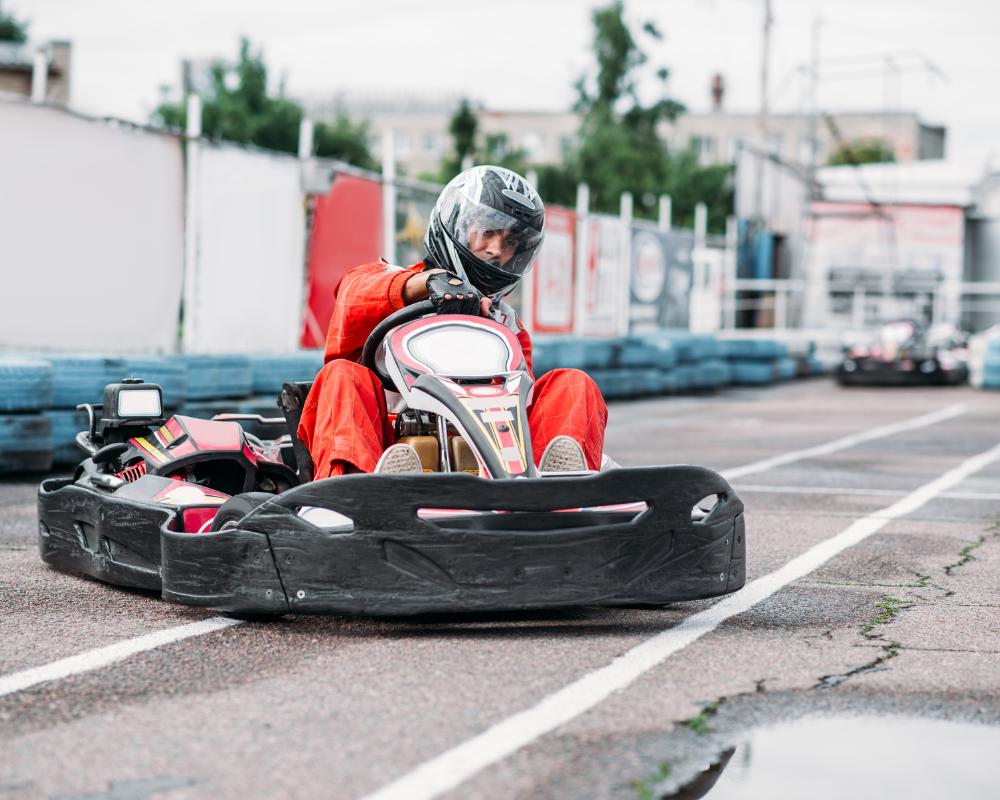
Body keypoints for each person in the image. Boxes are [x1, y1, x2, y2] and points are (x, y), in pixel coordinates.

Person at [297, 165, 608, 477]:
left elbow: (521, 406)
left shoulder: (507, 325)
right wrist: (429, 284)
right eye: (488, 231)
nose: (497, 250)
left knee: (573, 383)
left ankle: (557, 490)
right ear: (458, 225)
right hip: (384, 450)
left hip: (489, 457)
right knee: (341, 375)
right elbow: (349, 298)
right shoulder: (384, 281)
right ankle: (359, 494)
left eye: (511, 242)